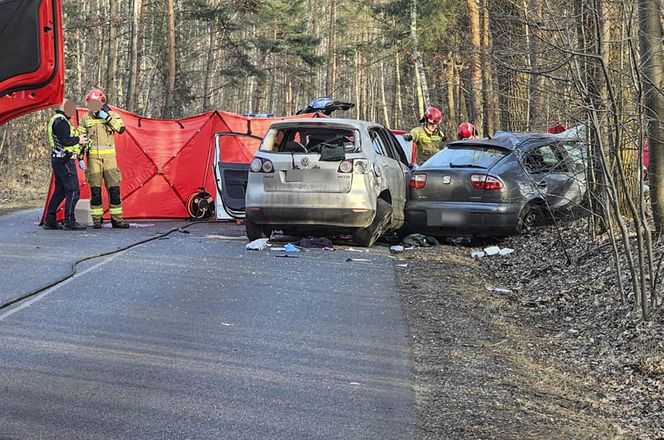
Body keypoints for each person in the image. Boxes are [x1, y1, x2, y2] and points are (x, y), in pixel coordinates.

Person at [78, 88, 129, 229]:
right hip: (93, 160)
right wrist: (79, 156)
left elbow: (121, 128)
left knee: (114, 190)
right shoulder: (86, 119)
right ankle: (96, 220)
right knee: (95, 191)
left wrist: (106, 117)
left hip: (110, 160)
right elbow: (81, 139)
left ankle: (117, 220)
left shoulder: (111, 115)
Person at [43, 99, 88, 230]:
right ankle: (69, 220)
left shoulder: (59, 120)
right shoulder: (61, 121)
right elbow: (65, 141)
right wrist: (79, 139)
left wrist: (79, 156)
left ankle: (50, 219)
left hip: (60, 159)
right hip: (64, 160)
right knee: (73, 190)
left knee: (61, 191)